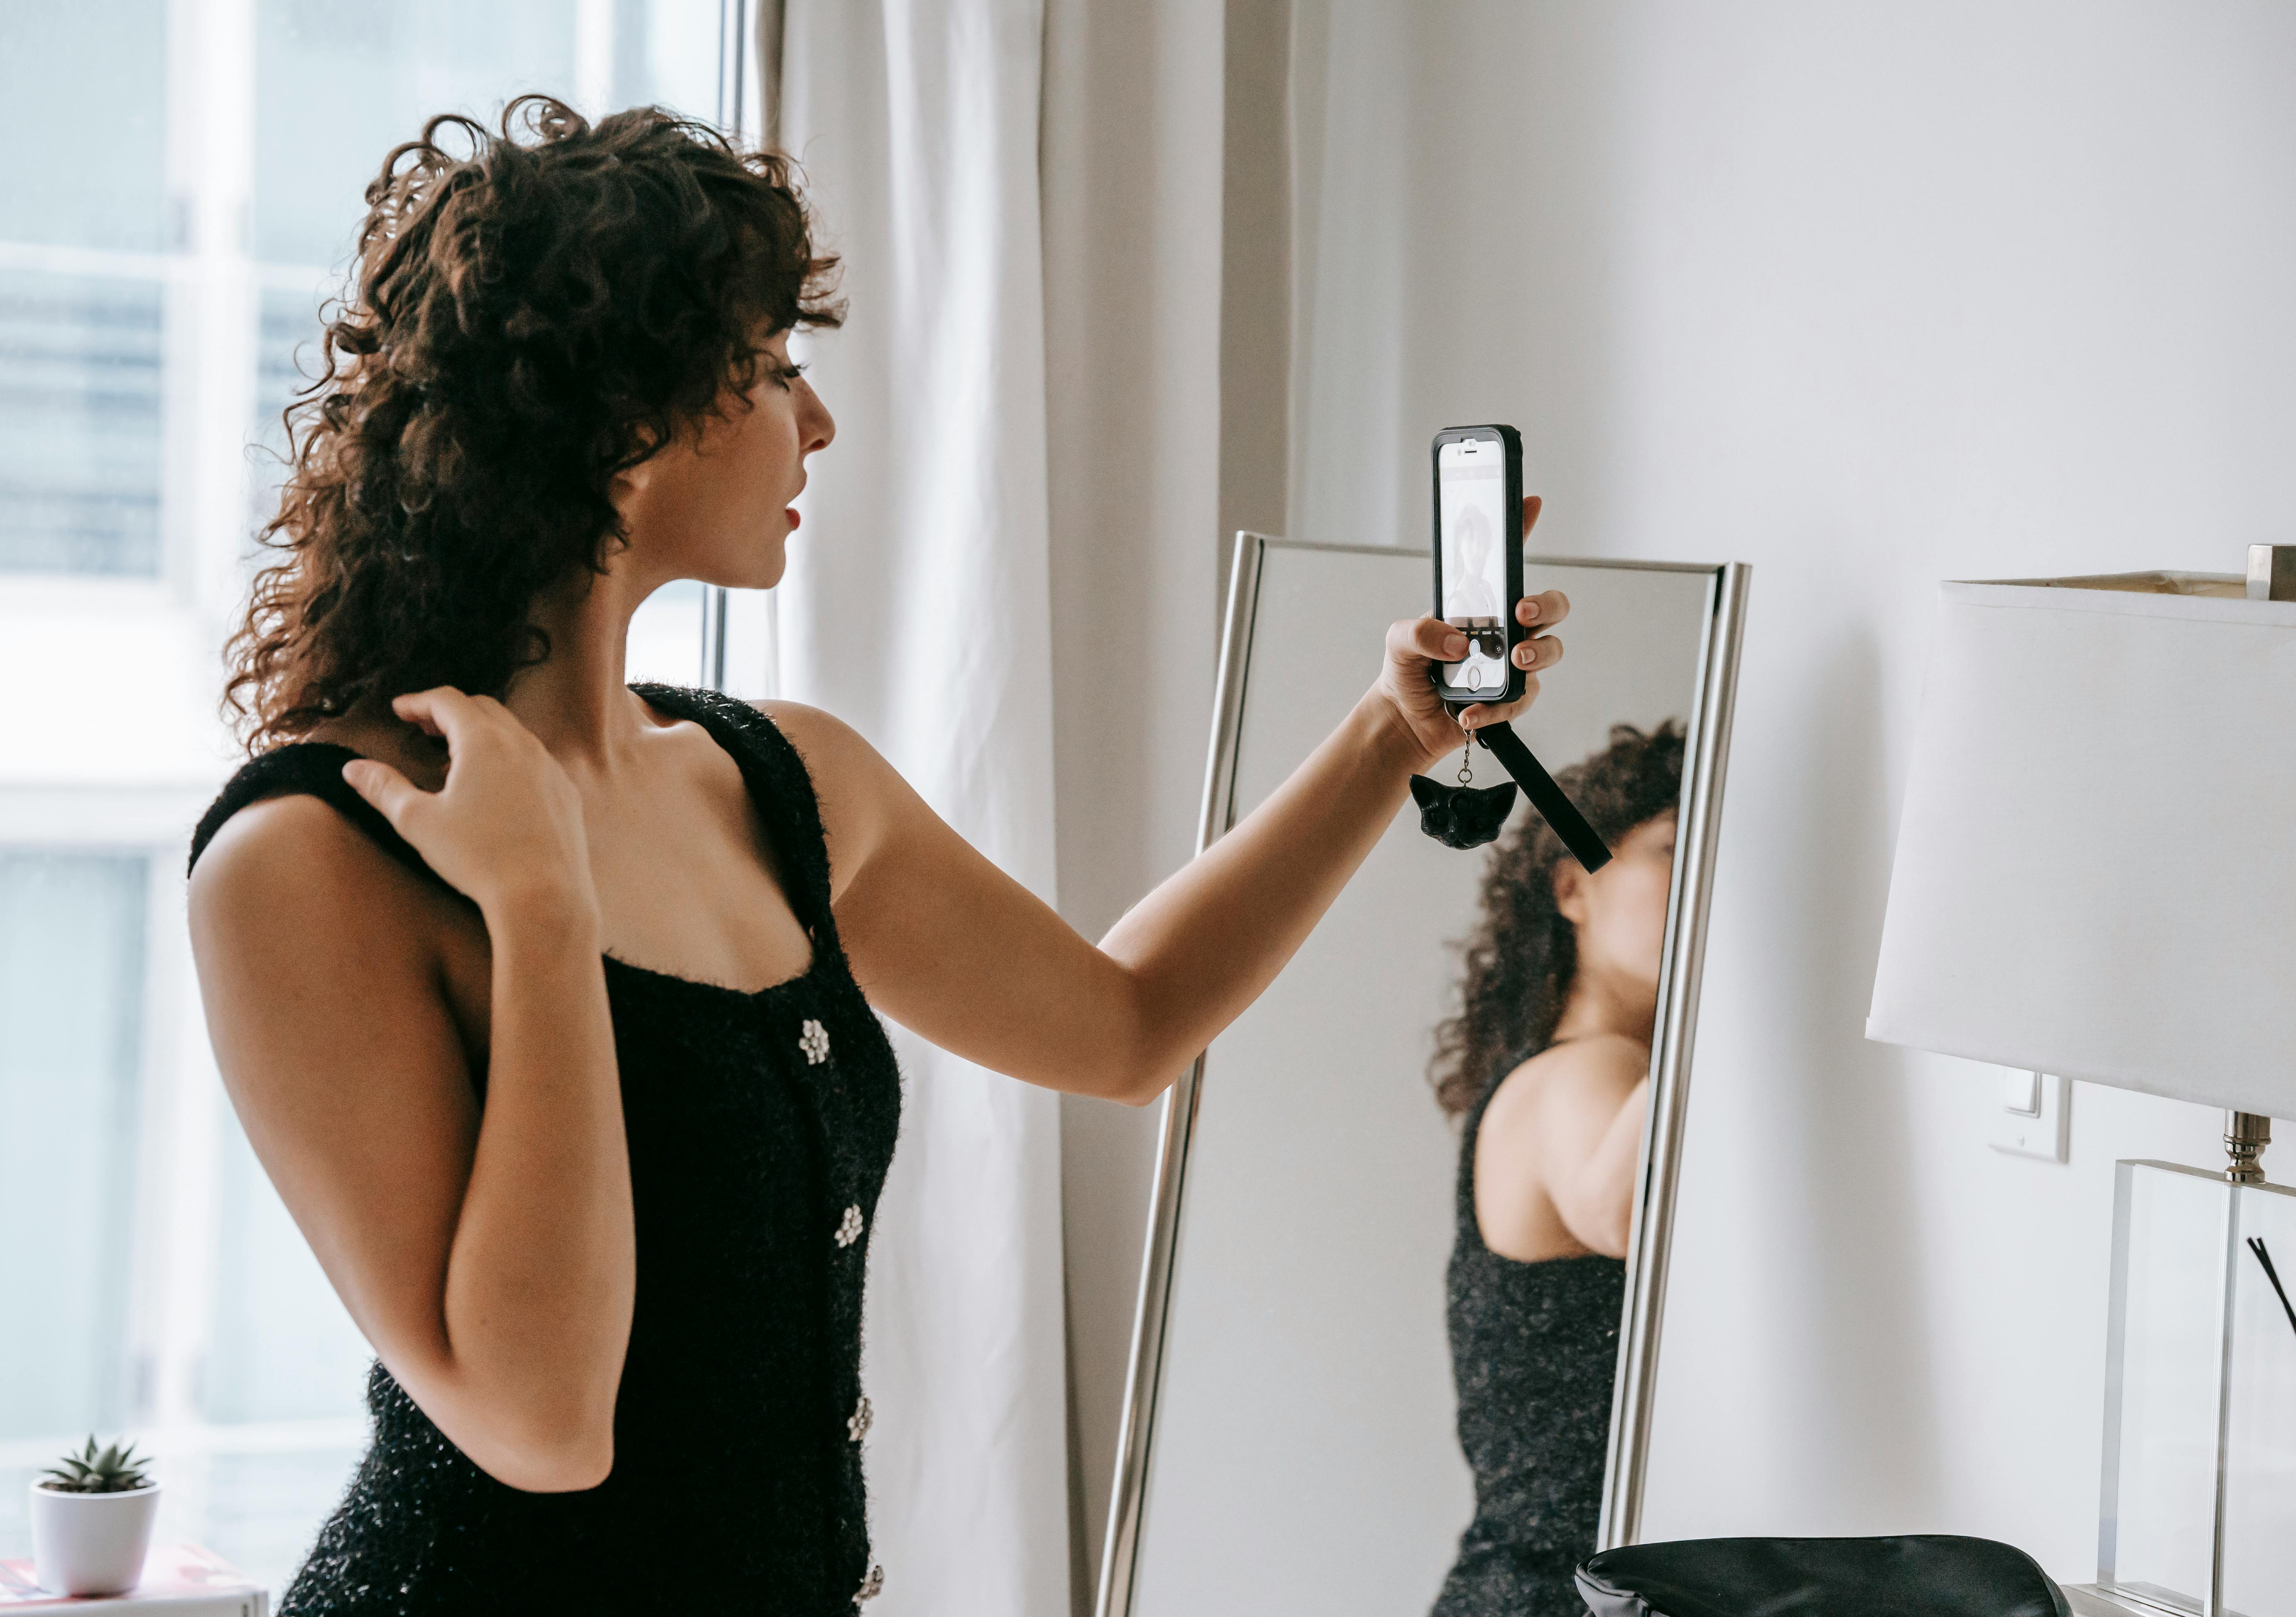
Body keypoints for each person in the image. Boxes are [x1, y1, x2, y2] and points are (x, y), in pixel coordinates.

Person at [181, 99, 1568, 1615]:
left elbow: (1125, 1026)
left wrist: (1385, 732)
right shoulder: (310, 854)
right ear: (627, 429)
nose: (818, 422)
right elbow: (543, 1423)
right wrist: (535, 902)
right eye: (775, 371)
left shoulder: (781, 778)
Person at [1425, 722, 1689, 1617]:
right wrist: (1721, 974)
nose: (1705, 885)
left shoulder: (1595, 1070)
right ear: (1573, 887)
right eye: (1672, 848)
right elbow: (1621, 1211)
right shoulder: (1581, 1073)